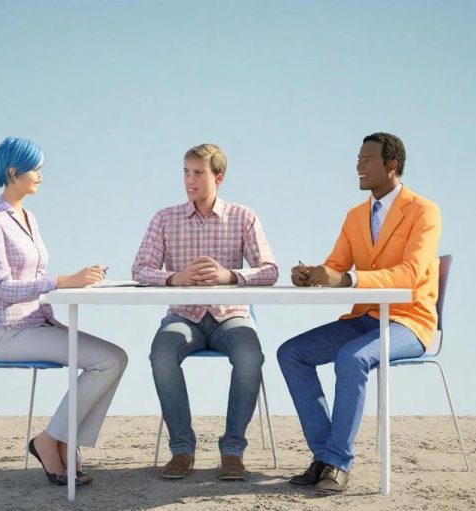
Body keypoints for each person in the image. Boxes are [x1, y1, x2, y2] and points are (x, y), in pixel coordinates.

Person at [277, 132, 441, 494]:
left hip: (410, 321)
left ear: (391, 165)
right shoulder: (355, 216)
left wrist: (348, 278)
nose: (358, 166)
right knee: (291, 353)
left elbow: (410, 275)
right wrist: (312, 275)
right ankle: (323, 457)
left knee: (352, 359)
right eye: (358, 159)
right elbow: (337, 265)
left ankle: (338, 462)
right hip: (366, 317)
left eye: (367, 160)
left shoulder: (424, 212)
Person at [0, 137, 128, 486]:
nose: (41, 175)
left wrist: (67, 291)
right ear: (13, 172)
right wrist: (61, 281)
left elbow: (33, 281)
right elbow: (0, 286)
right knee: (107, 361)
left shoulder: (28, 216)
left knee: (115, 357)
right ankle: (51, 442)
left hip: (34, 324)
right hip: (5, 332)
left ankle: (59, 439)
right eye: (35, 168)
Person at [132, 143, 278, 480]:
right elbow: (140, 269)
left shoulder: (244, 217)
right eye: (186, 172)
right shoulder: (164, 219)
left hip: (231, 315)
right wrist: (175, 278)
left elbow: (270, 270)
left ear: (219, 177)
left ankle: (232, 451)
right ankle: (182, 449)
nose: (189, 180)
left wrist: (231, 276)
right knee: (161, 353)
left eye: (198, 173)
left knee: (250, 355)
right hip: (184, 316)